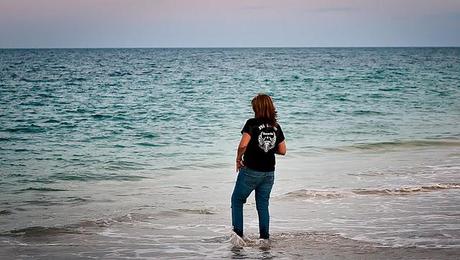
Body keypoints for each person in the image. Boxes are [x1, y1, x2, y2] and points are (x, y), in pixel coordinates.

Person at [230, 93, 286, 248]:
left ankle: (238, 236)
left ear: (257, 108)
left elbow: (243, 145)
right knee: (262, 204)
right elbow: (282, 150)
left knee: (237, 200)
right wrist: (266, 149)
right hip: (269, 173)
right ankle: (264, 238)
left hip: (251, 171)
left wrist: (238, 159)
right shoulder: (276, 126)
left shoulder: (251, 123)